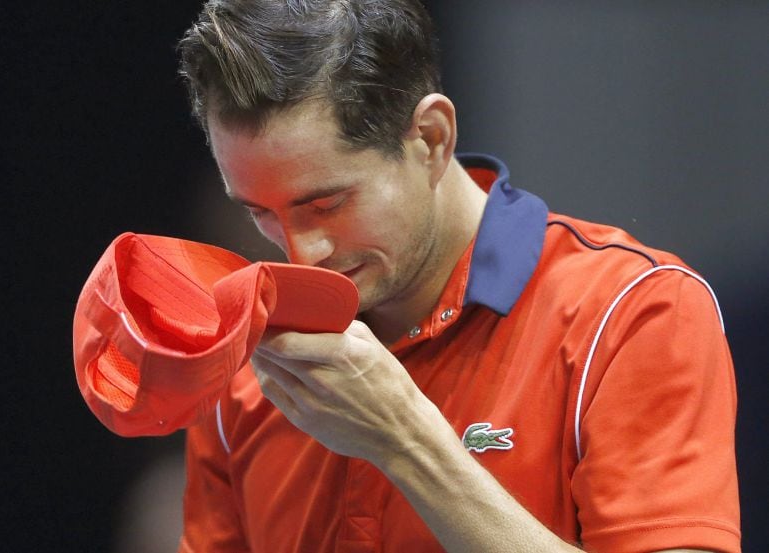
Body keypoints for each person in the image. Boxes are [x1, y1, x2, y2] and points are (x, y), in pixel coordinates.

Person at [175, 1, 740, 551]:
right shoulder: (253, 356)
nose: (301, 253)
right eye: (260, 213)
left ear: (431, 138)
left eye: (325, 205)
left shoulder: (634, 313)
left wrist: (407, 442)